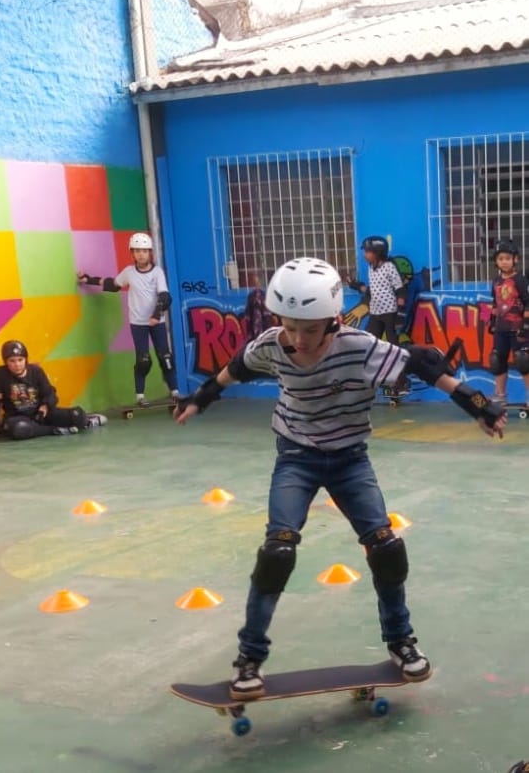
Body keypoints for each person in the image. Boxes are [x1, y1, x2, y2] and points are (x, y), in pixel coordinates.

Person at [174, 257, 507, 700]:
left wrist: (476, 406)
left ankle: (401, 642)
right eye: (290, 327)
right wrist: (202, 398)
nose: (298, 339)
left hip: (351, 459)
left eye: (309, 330)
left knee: (386, 546)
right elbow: (236, 365)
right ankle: (249, 659)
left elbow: (423, 363)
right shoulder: (273, 344)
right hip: (296, 456)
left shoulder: (358, 346)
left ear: (332, 322)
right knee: (278, 551)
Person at [77, 232, 180, 407]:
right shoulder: (129, 272)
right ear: (132, 253)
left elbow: (165, 296)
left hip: (157, 322)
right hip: (138, 323)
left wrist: (156, 314)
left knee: (165, 357)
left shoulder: (157, 272)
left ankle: (175, 392)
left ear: (150, 253)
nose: (141, 254)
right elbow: (112, 284)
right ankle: (140, 396)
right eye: (137, 251)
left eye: (145, 251)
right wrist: (88, 279)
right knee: (143, 360)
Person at [0, 340, 107, 441]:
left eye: (20, 360)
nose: (17, 364)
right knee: (19, 429)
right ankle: (55, 430)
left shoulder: (36, 371)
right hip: (18, 418)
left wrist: (45, 407)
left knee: (77, 414)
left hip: (41, 415)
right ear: (6, 362)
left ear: (26, 359)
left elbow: (50, 393)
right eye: (12, 361)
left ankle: (86, 421)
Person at [349, 235, 410, 394]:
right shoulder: (371, 267)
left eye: (368, 251)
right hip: (375, 312)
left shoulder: (389, 267)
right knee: (369, 345)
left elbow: (400, 290)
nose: (364, 255)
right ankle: (371, 379)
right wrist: (357, 285)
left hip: (390, 313)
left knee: (393, 349)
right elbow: (373, 290)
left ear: (378, 252)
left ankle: (401, 382)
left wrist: (400, 315)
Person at [487, 239, 529, 405]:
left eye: (507, 258)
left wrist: (526, 325)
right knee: (497, 359)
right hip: (501, 328)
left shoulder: (520, 280)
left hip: (518, 328)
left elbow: (527, 302)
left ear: (515, 259)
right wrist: (492, 321)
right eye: (500, 259)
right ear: (496, 262)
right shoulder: (496, 281)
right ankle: (500, 394)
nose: (504, 262)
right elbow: (495, 304)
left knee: (523, 360)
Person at [242, 272, 273, 342]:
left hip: (262, 326)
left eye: (256, 281)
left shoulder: (263, 295)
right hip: (259, 326)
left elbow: (248, 315)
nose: (256, 283)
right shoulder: (253, 295)